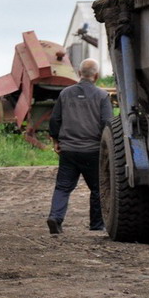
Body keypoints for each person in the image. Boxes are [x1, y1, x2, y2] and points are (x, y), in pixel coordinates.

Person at [46, 58, 112, 234]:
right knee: (98, 188)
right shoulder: (102, 96)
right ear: (96, 75)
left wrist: (56, 141)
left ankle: (55, 217)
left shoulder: (65, 94)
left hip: (68, 151)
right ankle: (96, 224)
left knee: (62, 187)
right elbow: (107, 124)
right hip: (93, 151)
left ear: (79, 73)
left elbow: (55, 119)